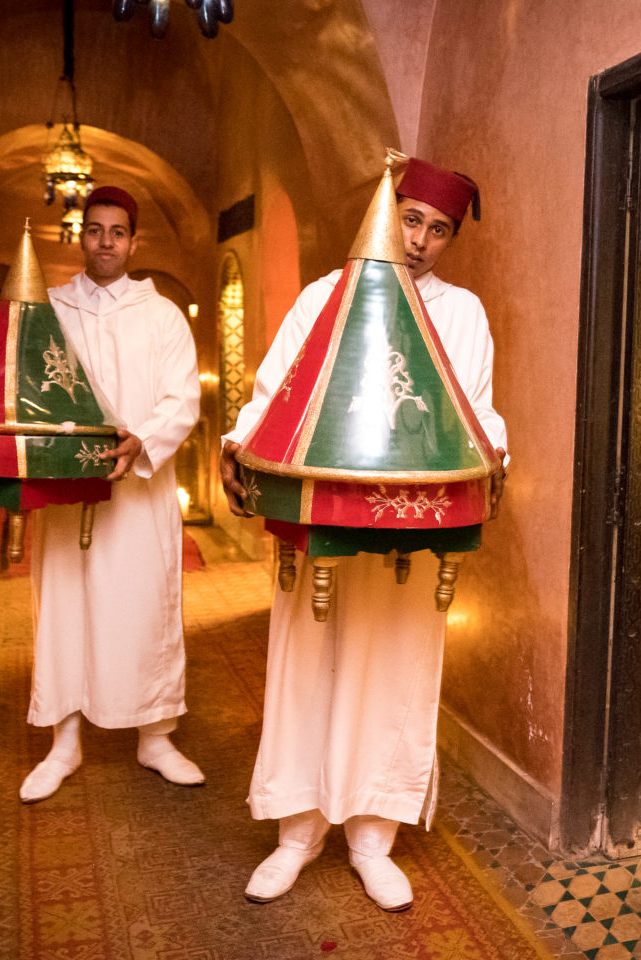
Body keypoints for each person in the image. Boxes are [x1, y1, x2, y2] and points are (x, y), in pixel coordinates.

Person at [219, 158, 508, 911]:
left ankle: (374, 840)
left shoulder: (462, 313)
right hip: (318, 516)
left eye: (437, 230)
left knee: (396, 668)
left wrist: (491, 453)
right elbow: (270, 392)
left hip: (412, 526)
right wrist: (238, 442)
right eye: (411, 219)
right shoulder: (324, 297)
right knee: (306, 663)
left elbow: (477, 412)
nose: (419, 240)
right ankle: (296, 835)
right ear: (388, 212)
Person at [20, 186, 204, 803]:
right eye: (94, 230)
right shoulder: (49, 309)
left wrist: (141, 441)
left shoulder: (162, 316)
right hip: (66, 491)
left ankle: (155, 736)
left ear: (133, 240)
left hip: (140, 494)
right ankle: (64, 742)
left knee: (143, 607)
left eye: (117, 232)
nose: (105, 242)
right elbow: (26, 390)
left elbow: (183, 400)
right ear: (81, 238)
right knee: (67, 606)